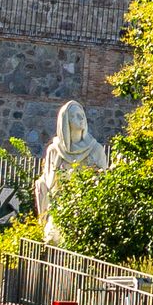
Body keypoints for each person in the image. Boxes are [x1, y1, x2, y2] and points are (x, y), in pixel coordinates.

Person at [32, 98, 109, 238]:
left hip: (85, 209)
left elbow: (103, 183)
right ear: (66, 121)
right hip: (60, 208)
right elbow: (48, 183)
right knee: (53, 236)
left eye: (82, 115)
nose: (81, 118)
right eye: (75, 115)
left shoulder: (95, 150)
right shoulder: (54, 150)